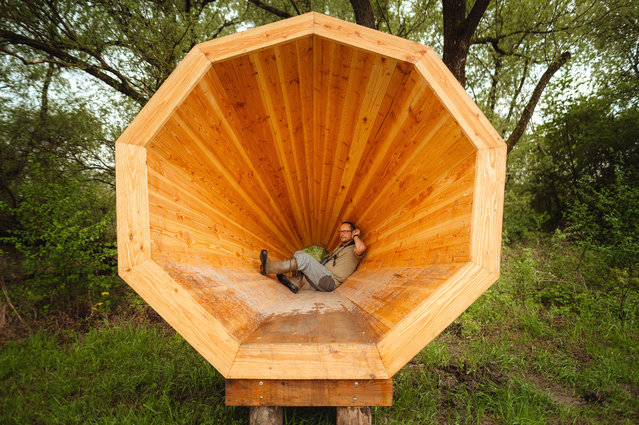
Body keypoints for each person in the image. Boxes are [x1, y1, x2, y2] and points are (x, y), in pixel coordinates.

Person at [259, 221, 367, 293]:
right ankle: (295, 282)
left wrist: (356, 236)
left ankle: (270, 267)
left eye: (345, 231)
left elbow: (361, 248)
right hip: (323, 275)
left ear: (352, 232)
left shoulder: (354, 248)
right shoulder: (339, 247)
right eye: (340, 231)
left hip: (329, 282)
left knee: (305, 259)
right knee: (299, 253)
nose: (341, 234)